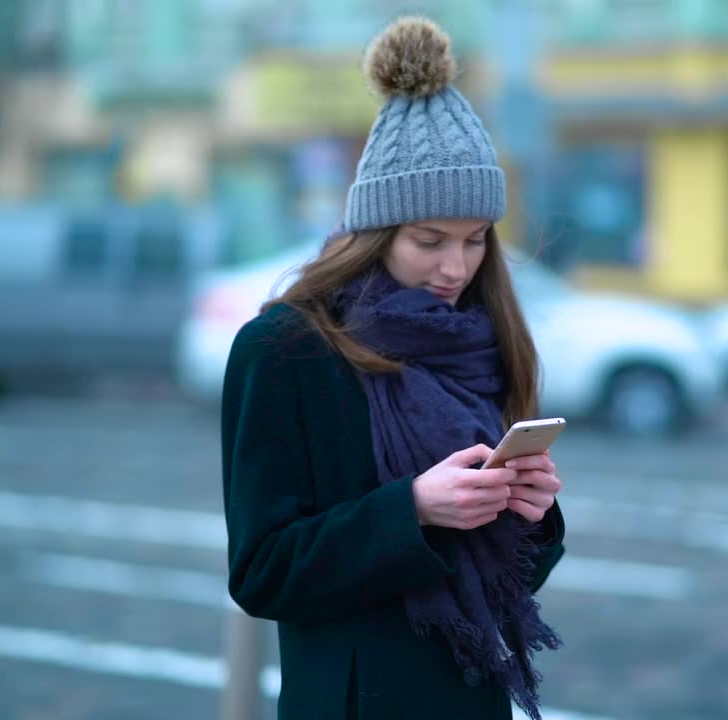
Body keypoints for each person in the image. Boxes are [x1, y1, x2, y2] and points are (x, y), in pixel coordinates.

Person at [220, 16, 566, 720]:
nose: (455, 267)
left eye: (475, 240)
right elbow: (262, 572)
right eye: (429, 241)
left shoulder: (484, 339)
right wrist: (411, 510)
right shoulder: (285, 349)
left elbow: (507, 580)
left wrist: (533, 513)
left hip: (470, 700)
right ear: (375, 233)